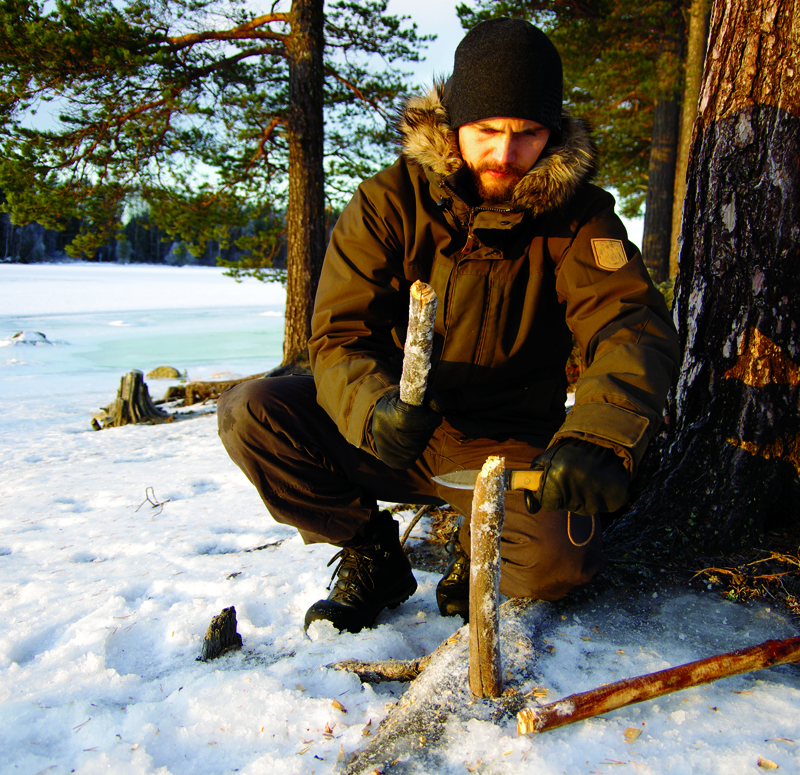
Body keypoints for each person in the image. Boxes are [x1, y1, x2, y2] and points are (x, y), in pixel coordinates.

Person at [217, 18, 680, 634]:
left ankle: (478, 546)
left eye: (527, 134)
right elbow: (338, 335)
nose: (504, 155)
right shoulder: (388, 202)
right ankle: (372, 553)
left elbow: (629, 326)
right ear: (452, 121)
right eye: (486, 130)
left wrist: (601, 437)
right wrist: (373, 406)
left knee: (552, 568)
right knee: (253, 410)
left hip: (506, 444)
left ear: (553, 133)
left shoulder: (581, 219)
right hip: (391, 429)